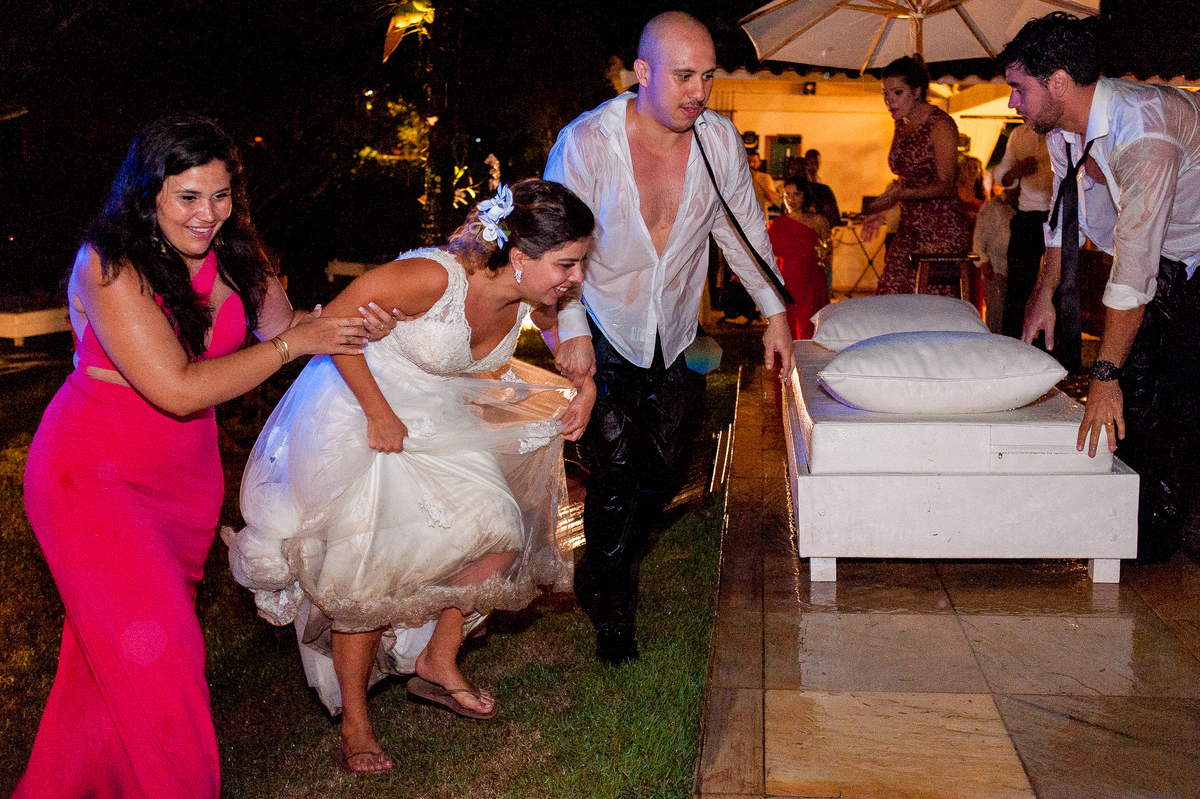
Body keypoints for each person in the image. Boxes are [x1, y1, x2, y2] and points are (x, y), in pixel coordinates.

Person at [15, 114, 377, 799]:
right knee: (163, 657)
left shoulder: (239, 255)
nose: (207, 214)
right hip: (92, 480)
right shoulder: (109, 264)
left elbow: (289, 326)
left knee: (104, 674)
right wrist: (292, 347)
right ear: (147, 193)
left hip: (184, 484)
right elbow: (178, 389)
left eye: (220, 195)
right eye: (188, 196)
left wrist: (354, 322)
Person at [226, 180, 597, 773]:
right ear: (519, 257)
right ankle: (355, 721)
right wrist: (378, 413)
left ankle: (437, 658)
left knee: (501, 535)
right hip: (364, 407)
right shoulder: (432, 278)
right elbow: (331, 326)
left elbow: (565, 346)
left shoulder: (534, 296)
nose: (576, 278)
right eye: (567, 264)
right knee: (371, 571)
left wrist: (585, 386)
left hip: (442, 421)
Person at [544, 11, 794, 665]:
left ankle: (599, 568)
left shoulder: (718, 142)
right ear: (642, 72)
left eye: (707, 77)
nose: (698, 92)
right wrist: (571, 330)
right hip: (602, 322)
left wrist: (776, 314)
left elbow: (744, 231)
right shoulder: (586, 142)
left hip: (677, 329)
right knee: (618, 467)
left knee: (662, 474)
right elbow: (555, 248)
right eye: (684, 76)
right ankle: (614, 615)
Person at [999, 12, 1200, 563]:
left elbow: (1132, 271)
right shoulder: (1066, 131)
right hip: (1169, 256)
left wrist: (1104, 374)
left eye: (1019, 88)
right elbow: (1065, 213)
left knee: (1178, 394)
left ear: (1058, 82)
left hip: (1187, 254)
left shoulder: (1144, 133)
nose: (1013, 102)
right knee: (1143, 394)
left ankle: (1165, 536)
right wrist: (1043, 293)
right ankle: (1138, 532)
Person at [863, 56, 972, 296]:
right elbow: (905, 177)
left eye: (897, 93)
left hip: (940, 229)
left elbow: (945, 184)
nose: (889, 101)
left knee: (929, 303)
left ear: (917, 91)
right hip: (909, 227)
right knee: (891, 295)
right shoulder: (901, 124)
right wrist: (883, 207)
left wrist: (901, 195)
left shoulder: (940, 125)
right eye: (885, 94)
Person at [993, 122, 1054, 339]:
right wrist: (1017, 171)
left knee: (1058, 288)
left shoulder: (1064, 130)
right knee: (1018, 287)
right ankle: (1012, 343)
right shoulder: (1019, 134)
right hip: (1028, 215)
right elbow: (1001, 176)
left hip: (1058, 214)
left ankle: (1054, 348)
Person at [770, 176, 831, 336]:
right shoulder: (778, 223)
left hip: (810, 279)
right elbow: (767, 253)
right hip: (786, 279)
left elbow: (828, 246)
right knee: (787, 323)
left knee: (807, 323)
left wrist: (823, 251)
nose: (791, 200)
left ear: (805, 196)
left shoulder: (817, 220)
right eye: (787, 195)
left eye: (796, 194)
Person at [973, 188, 1017, 332]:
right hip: (996, 268)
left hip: (1020, 271)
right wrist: (983, 261)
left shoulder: (1028, 207)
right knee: (996, 314)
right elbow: (979, 236)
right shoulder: (993, 206)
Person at [804, 149, 842, 229]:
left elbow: (834, 217)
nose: (814, 167)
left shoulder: (822, 187)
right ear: (806, 164)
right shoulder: (801, 186)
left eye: (816, 163)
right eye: (811, 163)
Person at [748, 150, 779, 216]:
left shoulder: (766, 178)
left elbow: (772, 199)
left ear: (759, 163)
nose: (751, 165)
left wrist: (757, 180)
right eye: (748, 162)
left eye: (754, 162)